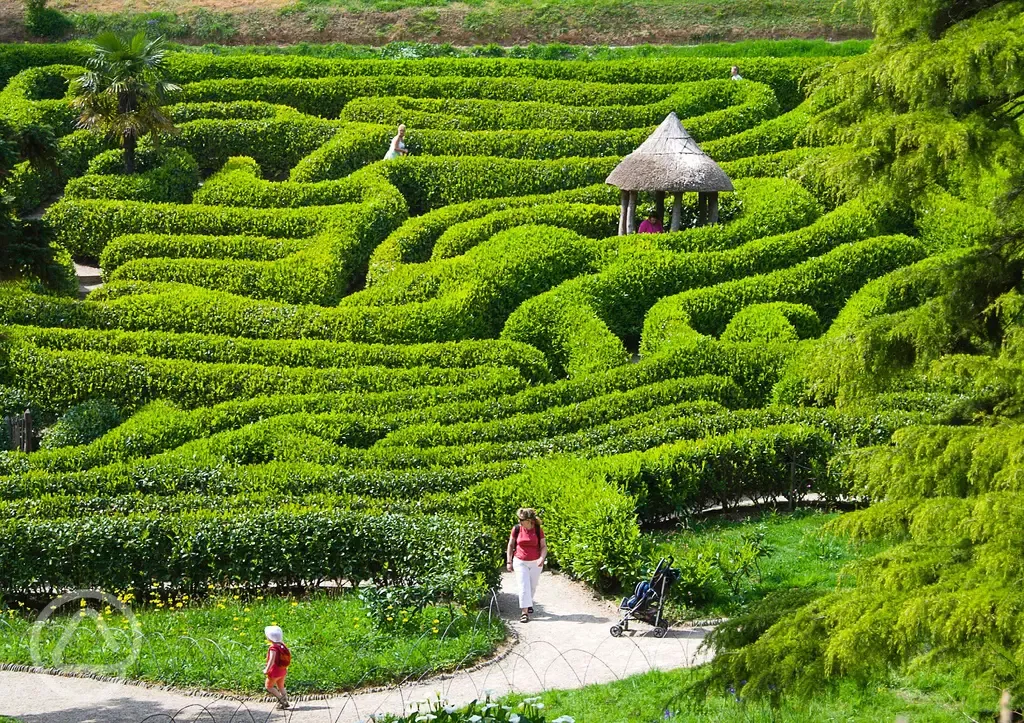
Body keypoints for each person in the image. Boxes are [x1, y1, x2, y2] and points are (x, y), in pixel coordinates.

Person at [506, 507, 547, 623]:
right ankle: (524, 613)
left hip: (535, 562)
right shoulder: (516, 529)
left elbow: (544, 547)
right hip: (520, 561)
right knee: (523, 586)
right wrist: (509, 561)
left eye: (521, 519)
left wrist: (542, 558)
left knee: (532, 586)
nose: (519, 521)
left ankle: (528, 604)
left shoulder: (538, 530)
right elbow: (510, 545)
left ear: (529, 520)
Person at [264, 625, 291, 709]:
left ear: (270, 638)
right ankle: (285, 700)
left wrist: (266, 670)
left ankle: (281, 700)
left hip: (274, 672)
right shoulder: (282, 645)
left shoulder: (273, 648)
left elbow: (271, 660)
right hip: (282, 670)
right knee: (281, 686)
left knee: (269, 686)